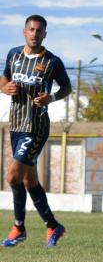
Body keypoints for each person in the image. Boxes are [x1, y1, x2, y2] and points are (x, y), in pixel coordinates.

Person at [2, 15, 72, 248]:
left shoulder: (52, 61)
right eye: (31, 29)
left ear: (44, 34)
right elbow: (4, 78)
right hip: (16, 125)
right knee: (29, 179)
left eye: (39, 30)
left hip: (36, 127)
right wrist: (4, 87)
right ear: (24, 32)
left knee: (12, 176)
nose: (34, 33)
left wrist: (50, 97)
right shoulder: (14, 55)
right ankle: (53, 225)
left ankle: (19, 228)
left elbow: (66, 87)